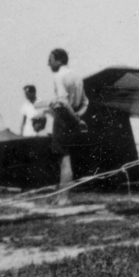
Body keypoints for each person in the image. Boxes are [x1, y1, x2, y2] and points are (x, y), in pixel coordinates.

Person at [35, 48, 87, 205]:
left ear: (59, 61)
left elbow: (63, 102)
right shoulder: (77, 76)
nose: (48, 63)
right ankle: (61, 197)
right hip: (71, 120)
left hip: (63, 120)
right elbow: (85, 102)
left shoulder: (59, 76)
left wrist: (74, 119)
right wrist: (77, 117)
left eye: (50, 59)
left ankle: (64, 199)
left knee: (64, 161)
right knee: (65, 160)